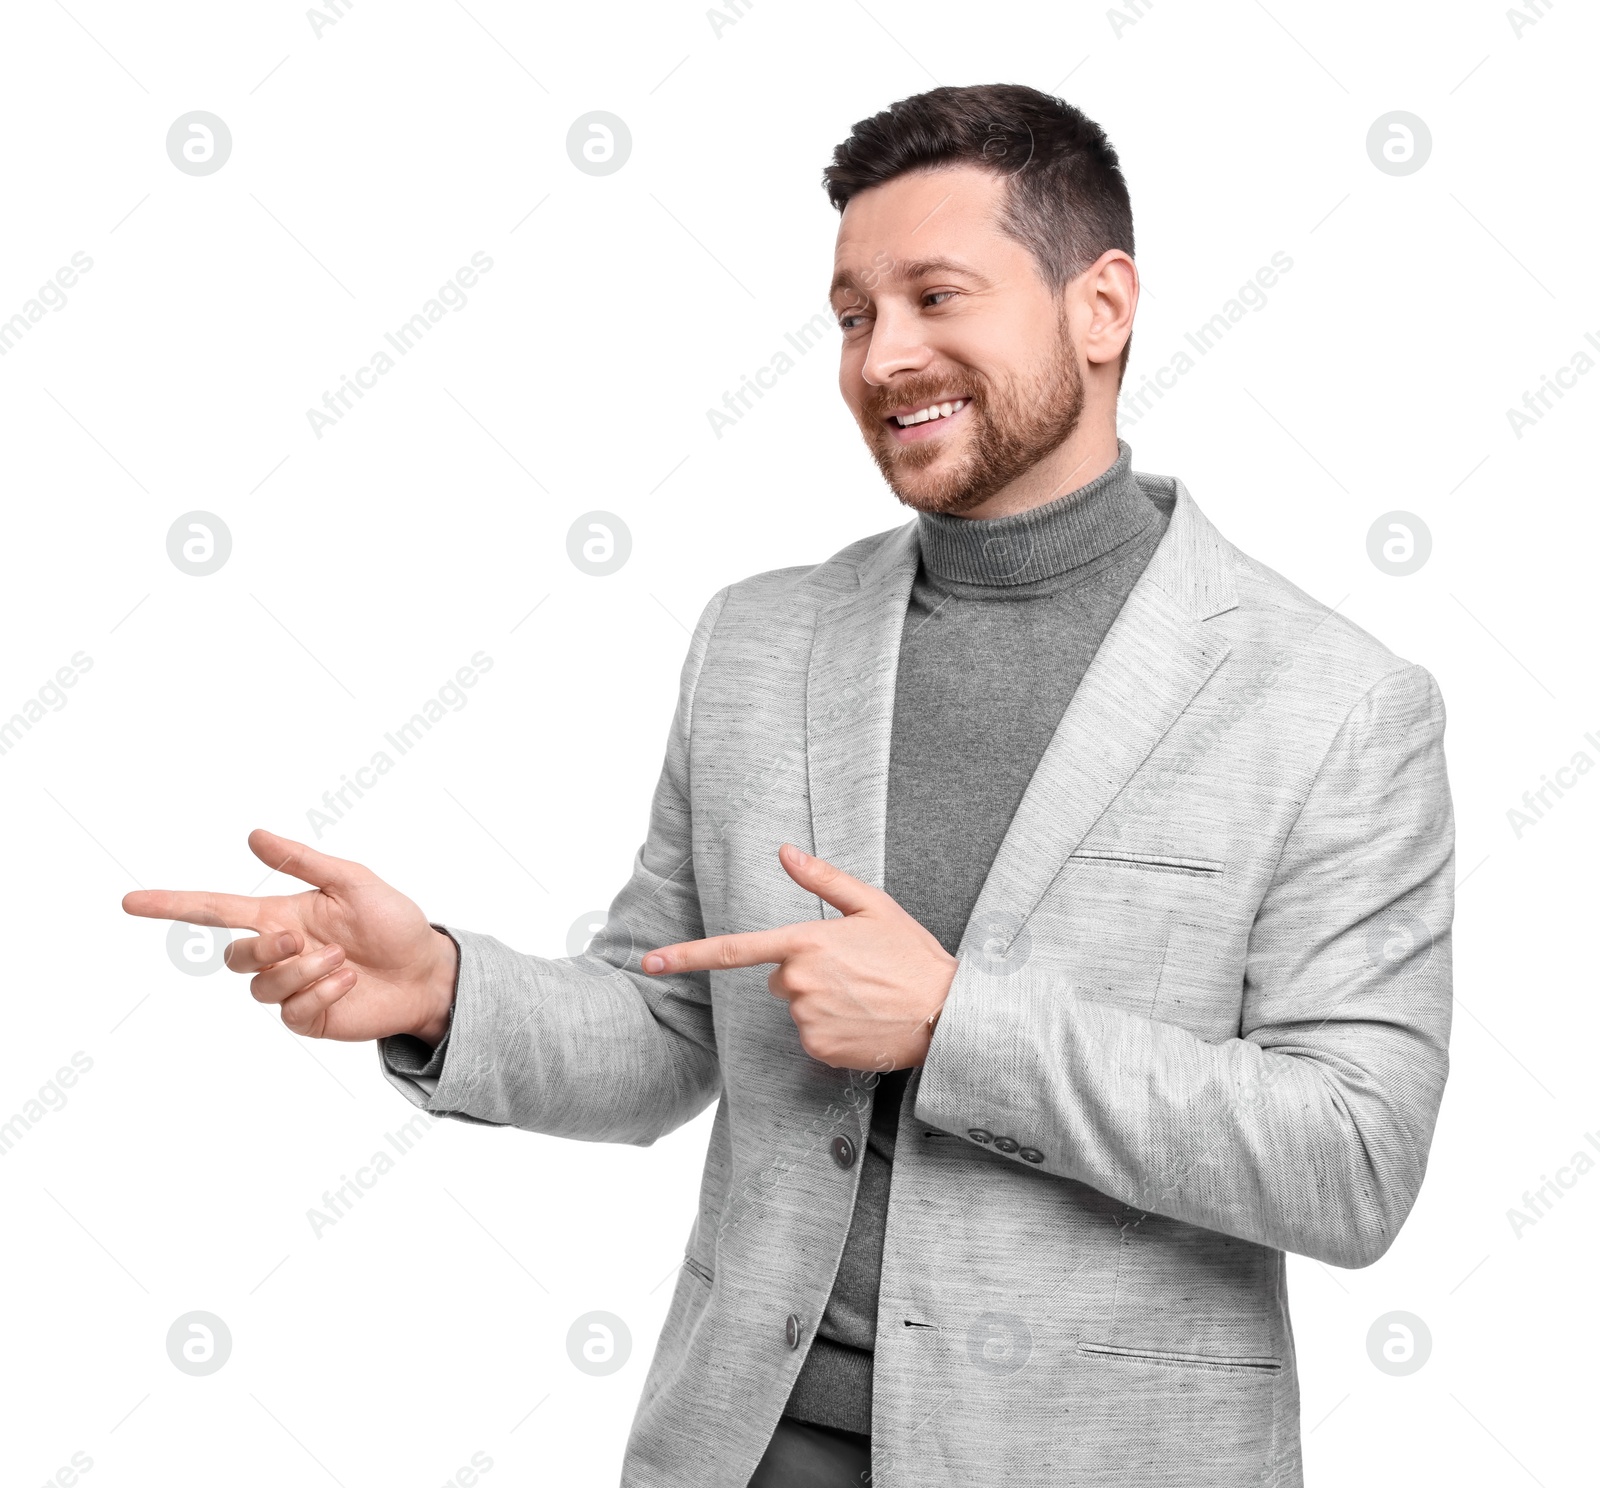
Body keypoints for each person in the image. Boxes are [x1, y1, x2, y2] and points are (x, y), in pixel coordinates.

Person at [123, 83, 1454, 1488]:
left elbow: (1353, 1159)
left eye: (938, 295)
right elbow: (670, 1021)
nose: (886, 355)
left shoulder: (1336, 701)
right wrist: (449, 990)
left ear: (1102, 306)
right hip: (743, 1450)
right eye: (853, 314)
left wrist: (952, 1023)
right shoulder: (761, 640)